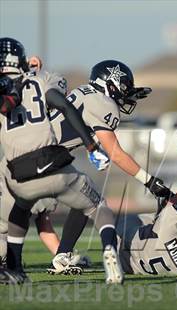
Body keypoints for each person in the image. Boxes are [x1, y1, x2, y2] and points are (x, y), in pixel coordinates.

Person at [0, 37, 120, 284]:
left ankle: (14, 268)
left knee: (18, 214)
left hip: (20, 175)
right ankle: (110, 248)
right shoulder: (42, 80)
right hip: (54, 165)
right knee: (98, 207)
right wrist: (91, 146)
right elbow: (65, 104)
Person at [41, 59, 171, 274]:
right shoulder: (103, 103)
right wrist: (149, 181)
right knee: (91, 200)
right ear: (109, 84)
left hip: (37, 154)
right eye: (123, 88)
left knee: (74, 200)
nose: (126, 94)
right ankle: (74, 253)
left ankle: (61, 254)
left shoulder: (85, 92)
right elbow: (117, 154)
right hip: (46, 158)